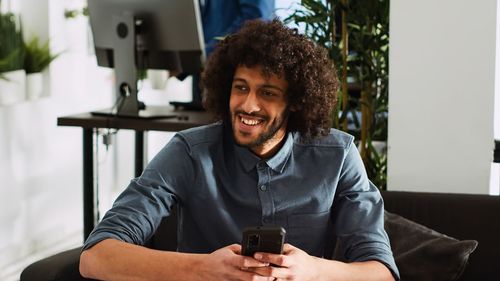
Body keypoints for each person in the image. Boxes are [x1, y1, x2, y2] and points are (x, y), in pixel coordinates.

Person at [80, 19, 400, 281]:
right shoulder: (189, 152)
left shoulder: (338, 155)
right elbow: (95, 257)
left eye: (268, 93)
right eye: (241, 87)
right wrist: (203, 269)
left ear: (296, 102)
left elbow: (381, 272)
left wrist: (312, 270)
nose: (248, 104)